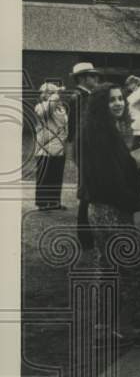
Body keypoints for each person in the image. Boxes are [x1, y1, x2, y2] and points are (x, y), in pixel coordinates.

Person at [81, 84, 140, 348]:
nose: (118, 103)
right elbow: (110, 182)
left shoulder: (102, 131)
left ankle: (102, 331)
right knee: (137, 270)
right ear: (101, 104)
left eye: (121, 98)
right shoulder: (102, 135)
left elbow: (119, 171)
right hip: (111, 211)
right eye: (111, 100)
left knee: (108, 271)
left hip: (100, 211)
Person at [66, 62, 102, 248]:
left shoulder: (83, 96)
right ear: (81, 78)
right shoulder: (80, 97)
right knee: (87, 192)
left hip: (85, 148)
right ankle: (86, 237)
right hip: (87, 149)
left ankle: (87, 235)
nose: (96, 79)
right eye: (92, 76)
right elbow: (82, 127)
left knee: (89, 190)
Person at [33, 82, 69, 211]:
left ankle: (54, 202)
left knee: (56, 176)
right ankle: (42, 203)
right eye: (50, 93)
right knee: (44, 176)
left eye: (53, 92)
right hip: (45, 149)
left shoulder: (61, 109)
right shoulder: (40, 107)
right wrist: (56, 95)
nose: (56, 95)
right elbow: (45, 111)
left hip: (59, 148)